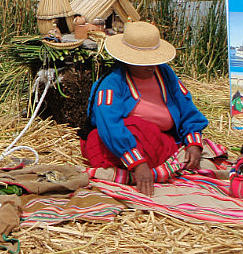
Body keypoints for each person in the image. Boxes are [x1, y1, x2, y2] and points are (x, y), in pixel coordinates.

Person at [80, 21, 208, 196]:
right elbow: (109, 124)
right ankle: (147, 169)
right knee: (116, 134)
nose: (151, 65)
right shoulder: (111, 84)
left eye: (154, 59)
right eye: (144, 61)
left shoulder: (165, 74)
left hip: (162, 142)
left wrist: (193, 142)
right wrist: (137, 163)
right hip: (120, 146)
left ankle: (151, 168)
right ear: (127, 60)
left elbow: (187, 108)